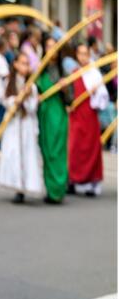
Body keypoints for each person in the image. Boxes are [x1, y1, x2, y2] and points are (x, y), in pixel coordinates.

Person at [0, 50, 44, 203]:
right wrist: (15, 100)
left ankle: (26, 185)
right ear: (16, 65)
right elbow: (4, 100)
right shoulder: (8, 82)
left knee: (27, 154)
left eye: (27, 64)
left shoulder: (32, 85)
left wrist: (27, 96)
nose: (25, 67)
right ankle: (17, 187)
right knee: (13, 153)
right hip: (13, 123)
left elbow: (32, 108)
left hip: (27, 124)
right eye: (22, 63)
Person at [67, 41, 109, 196]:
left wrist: (95, 92)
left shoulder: (94, 73)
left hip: (90, 116)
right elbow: (69, 94)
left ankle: (92, 182)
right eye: (80, 54)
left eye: (86, 54)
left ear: (89, 55)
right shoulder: (74, 72)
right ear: (76, 56)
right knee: (74, 147)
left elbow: (103, 97)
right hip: (76, 115)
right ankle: (72, 180)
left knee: (91, 148)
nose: (83, 57)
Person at [36, 36, 70, 204]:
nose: (51, 49)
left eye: (54, 46)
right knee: (48, 151)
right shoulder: (39, 71)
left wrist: (65, 89)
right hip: (45, 115)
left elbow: (70, 98)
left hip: (59, 116)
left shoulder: (63, 72)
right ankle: (51, 190)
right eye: (48, 46)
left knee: (58, 152)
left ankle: (59, 189)